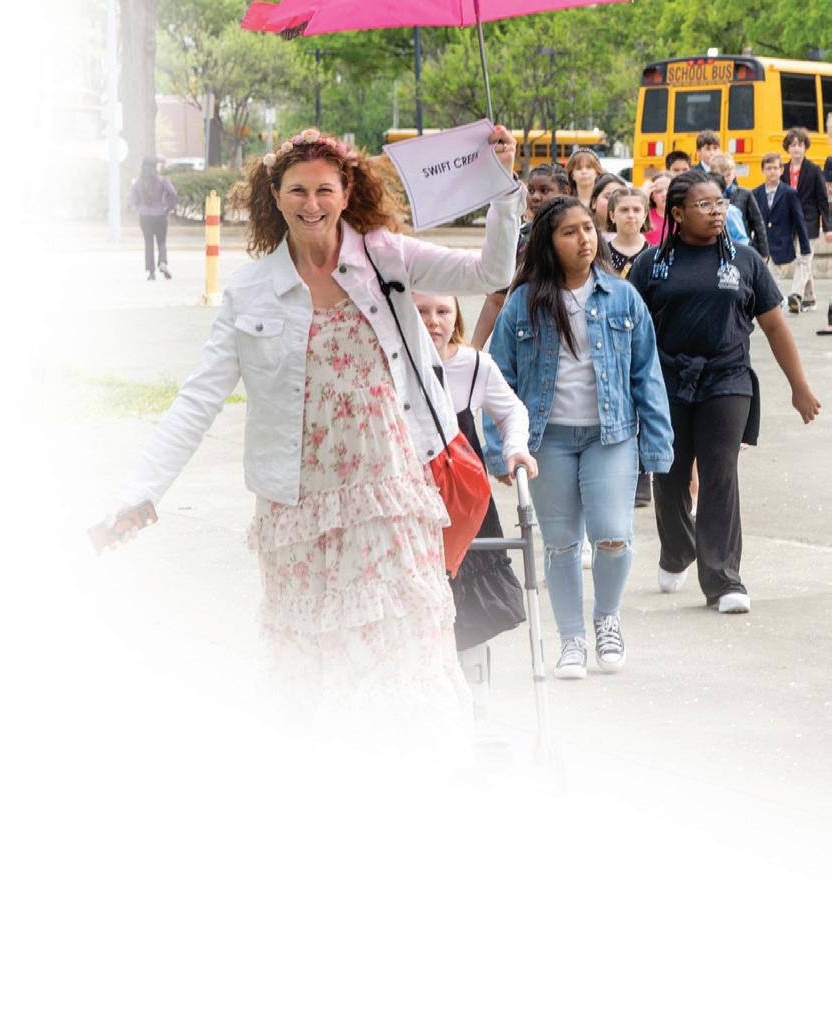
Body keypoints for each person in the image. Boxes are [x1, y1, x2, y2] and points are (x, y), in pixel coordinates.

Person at [105, 125, 527, 741]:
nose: (312, 204)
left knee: (395, 644)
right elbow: (197, 400)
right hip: (297, 507)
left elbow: (492, 269)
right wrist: (142, 490)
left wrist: (503, 188)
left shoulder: (385, 255)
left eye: (325, 189)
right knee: (312, 660)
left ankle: (409, 767)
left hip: (386, 493)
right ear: (275, 197)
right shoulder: (251, 291)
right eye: (297, 191)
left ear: (346, 192)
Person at [485, 196, 674, 679]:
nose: (583, 239)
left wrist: (657, 443)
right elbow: (496, 378)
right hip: (546, 439)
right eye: (569, 232)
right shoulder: (523, 303)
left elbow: (647, 373)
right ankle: (571, 640)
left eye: (588, 229)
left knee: (613, 536)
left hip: (611, 437)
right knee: (562, 545)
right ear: (549, 243)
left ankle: (607, 619)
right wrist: (499, 447)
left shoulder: (623, 297)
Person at [629, 172, 821, 615]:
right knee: (669, 473)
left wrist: (800, 387)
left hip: (727, 378)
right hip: (668, 381)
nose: (716, 212)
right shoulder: (651, 264)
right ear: (677, 214)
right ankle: (678, 548)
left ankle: (723, 579)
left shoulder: (745, 260)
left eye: (720, 203)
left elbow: (775, 326)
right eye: (704, 205)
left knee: (720, 473)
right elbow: (631, 330)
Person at [413, 292, 536, 716]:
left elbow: (512, 411)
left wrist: (515, 449)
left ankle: (474, 685)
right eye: (421, 312)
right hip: (410, 492)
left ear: (457, 316)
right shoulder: (393, 362)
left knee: (468, 590)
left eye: (442, 311)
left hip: (463, 496)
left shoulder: (473, 365)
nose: (433, 321)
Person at [470, 164, 569, 351]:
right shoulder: (518, 238)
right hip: (523, 337)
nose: (535, 196)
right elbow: (496, 298)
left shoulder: (582, 237)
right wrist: (474, 346)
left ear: (565, 192)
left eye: (544, 190)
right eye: (531, 190)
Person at [606, 186, 655, 507]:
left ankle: (642, 476)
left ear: (646, 214)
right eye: (624, 209)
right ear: (612, 214)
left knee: (644, 404)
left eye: (637, 209)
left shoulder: (656, 253)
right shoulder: (599, 252)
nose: (631, 215)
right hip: (607, 339)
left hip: (646, 339)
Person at [781, 127, 832, 312]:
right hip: (790, 223)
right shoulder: (783, 170)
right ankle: (810, 299)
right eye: (793, 145)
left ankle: (796, 295)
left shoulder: (814, 170)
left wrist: (828, 227)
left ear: (805, 147)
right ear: (787, 148)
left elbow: (822, 200)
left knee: (804, 258)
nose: (796, 148)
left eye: (800, 145)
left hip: (809, 221)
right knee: (803, 260)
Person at [752, 153, 811, 314]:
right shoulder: (756, 193)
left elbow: (799, 220)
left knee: (773, 278)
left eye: (775, 168)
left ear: (781, 170)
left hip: (781, 243)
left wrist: (805, 246)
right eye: (768, 168)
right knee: (762, 280)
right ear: (762, 170)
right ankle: (774, 306)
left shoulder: (789, 193)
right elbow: (751, 220)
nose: (772, 171)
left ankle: (774, 311)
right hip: (760, 245)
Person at [707, 152, 769, 258]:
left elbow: (758, 224)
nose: (725, 179)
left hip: (741, 247)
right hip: (716, 249)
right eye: (721, 176)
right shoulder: (708, 195)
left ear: (734, 173)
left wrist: (764, 252)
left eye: (728, 175)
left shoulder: (745, 194)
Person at [130, 157, 177, 281]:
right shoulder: (162, 180)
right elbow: (173, 193)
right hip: (160, 214)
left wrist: (139, 207)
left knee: (148, 243)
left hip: (144, 217)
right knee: (161, 241)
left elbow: (133, 198)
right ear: (154, 167)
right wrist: (168, 207)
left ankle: (151, 272)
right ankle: (162, 262)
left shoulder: (138, 182)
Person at [644, 173, 669, 247]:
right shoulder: (644, 216)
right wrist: (644, 196)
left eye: (669, 189)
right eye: (659, 191)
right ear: (652, 196)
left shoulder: (683, 216)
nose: (664, 194)